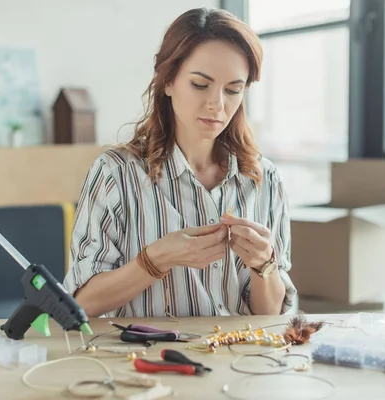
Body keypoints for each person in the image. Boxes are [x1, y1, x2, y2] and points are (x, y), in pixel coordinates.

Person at [63, 7, 297, 318]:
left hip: (238, 360)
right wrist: (155, 260)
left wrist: (263, 264)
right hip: (145, 361)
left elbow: (270, 316)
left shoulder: (264, 179)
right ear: (168, 81)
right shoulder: (116, 173)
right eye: (200, 85)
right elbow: (82, 304)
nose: (217, 104)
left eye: (233, 90)